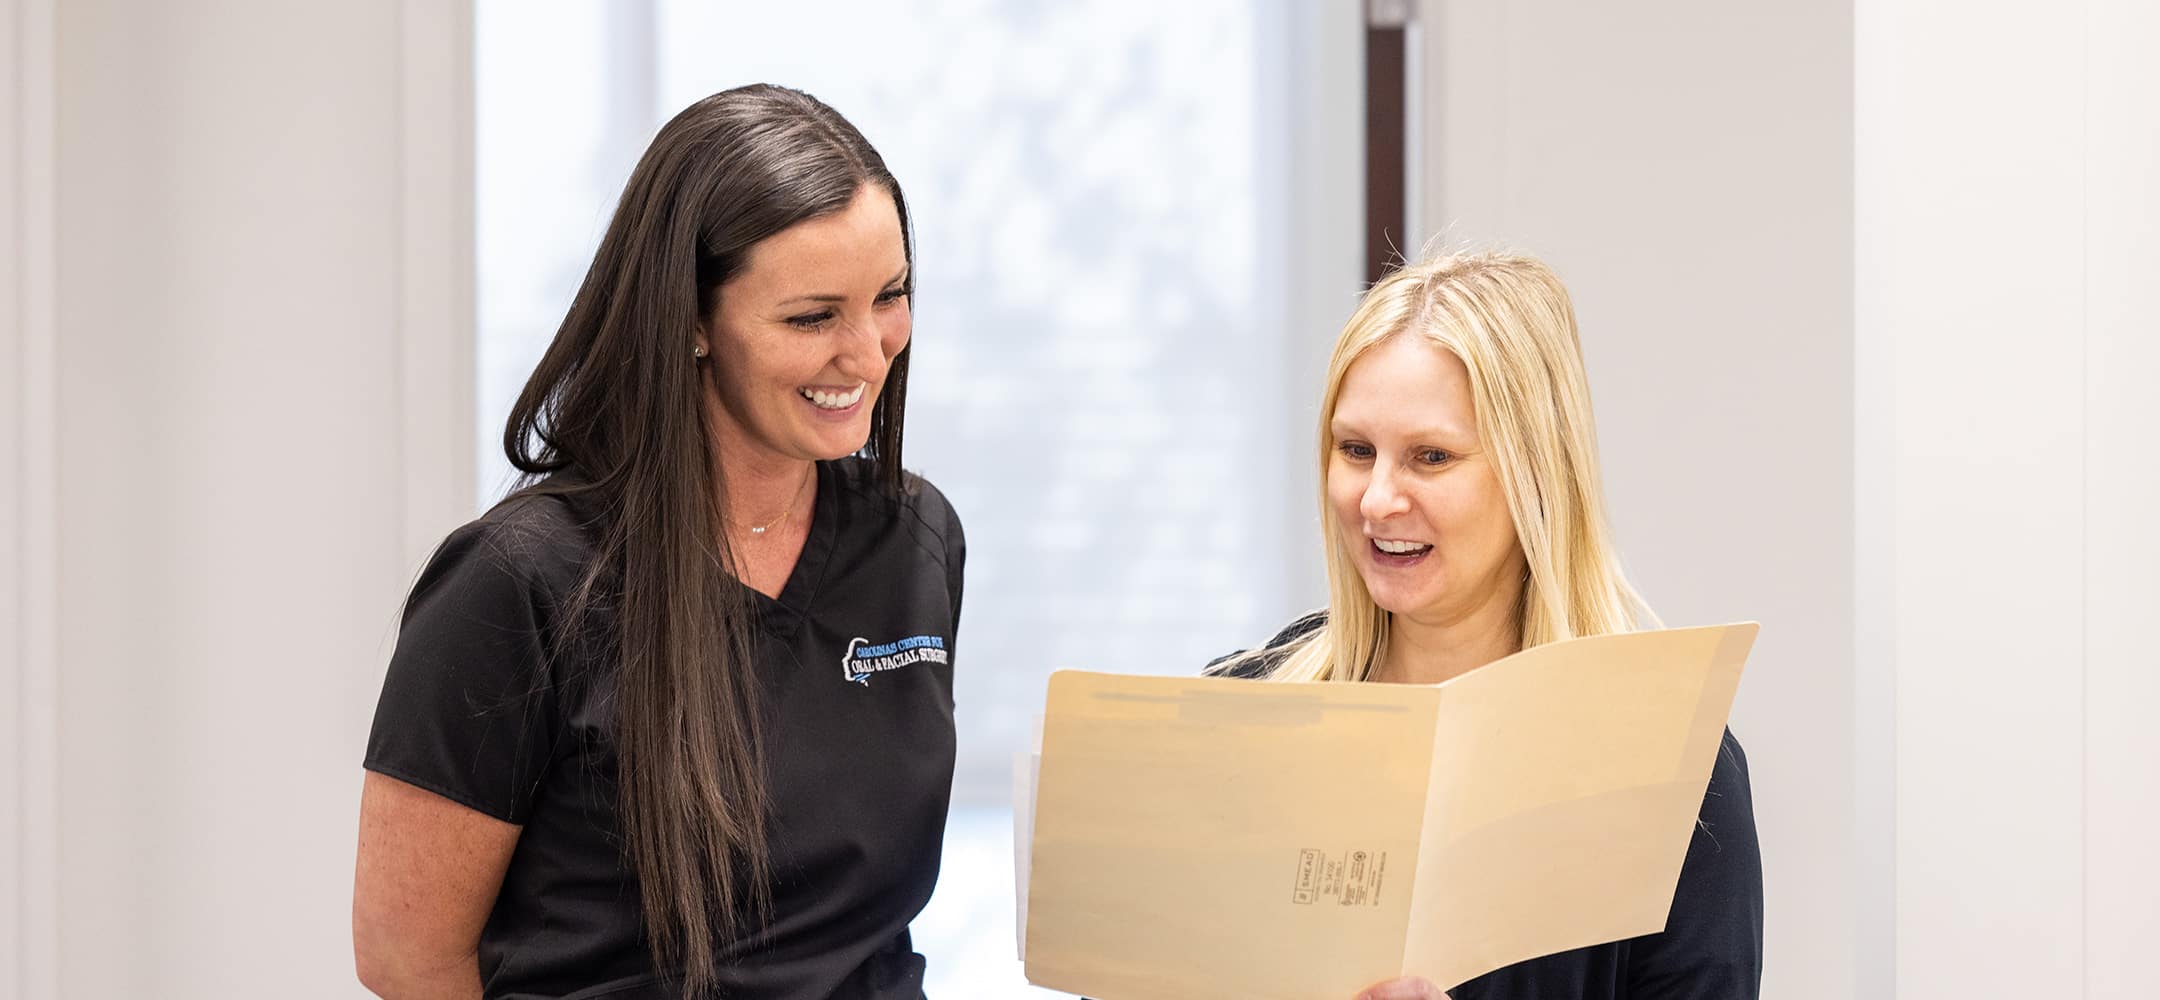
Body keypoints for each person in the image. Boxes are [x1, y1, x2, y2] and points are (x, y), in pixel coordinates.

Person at [352, 84, 965, 1000]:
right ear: (690, 322)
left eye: (890, 295)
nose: (869, 352)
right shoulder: (518, 583)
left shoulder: (914, 539)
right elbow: (406, 957)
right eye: (811, 317)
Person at [1211, 252, 1762, 1000]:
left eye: (1430, 457)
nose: (1376, 500)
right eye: (1356, 451)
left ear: (1535, 473)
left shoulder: (1675, 765)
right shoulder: (1238, 716)